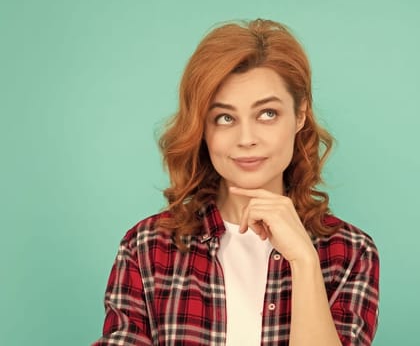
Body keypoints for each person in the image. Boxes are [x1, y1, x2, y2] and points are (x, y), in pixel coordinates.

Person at [93, 19, 380, 346]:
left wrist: (304, 261)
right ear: (203, 128)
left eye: (267, 113)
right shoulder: (146, 248)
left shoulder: (350, 252)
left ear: (300, 115)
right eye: (225, 118)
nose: (246, 139)